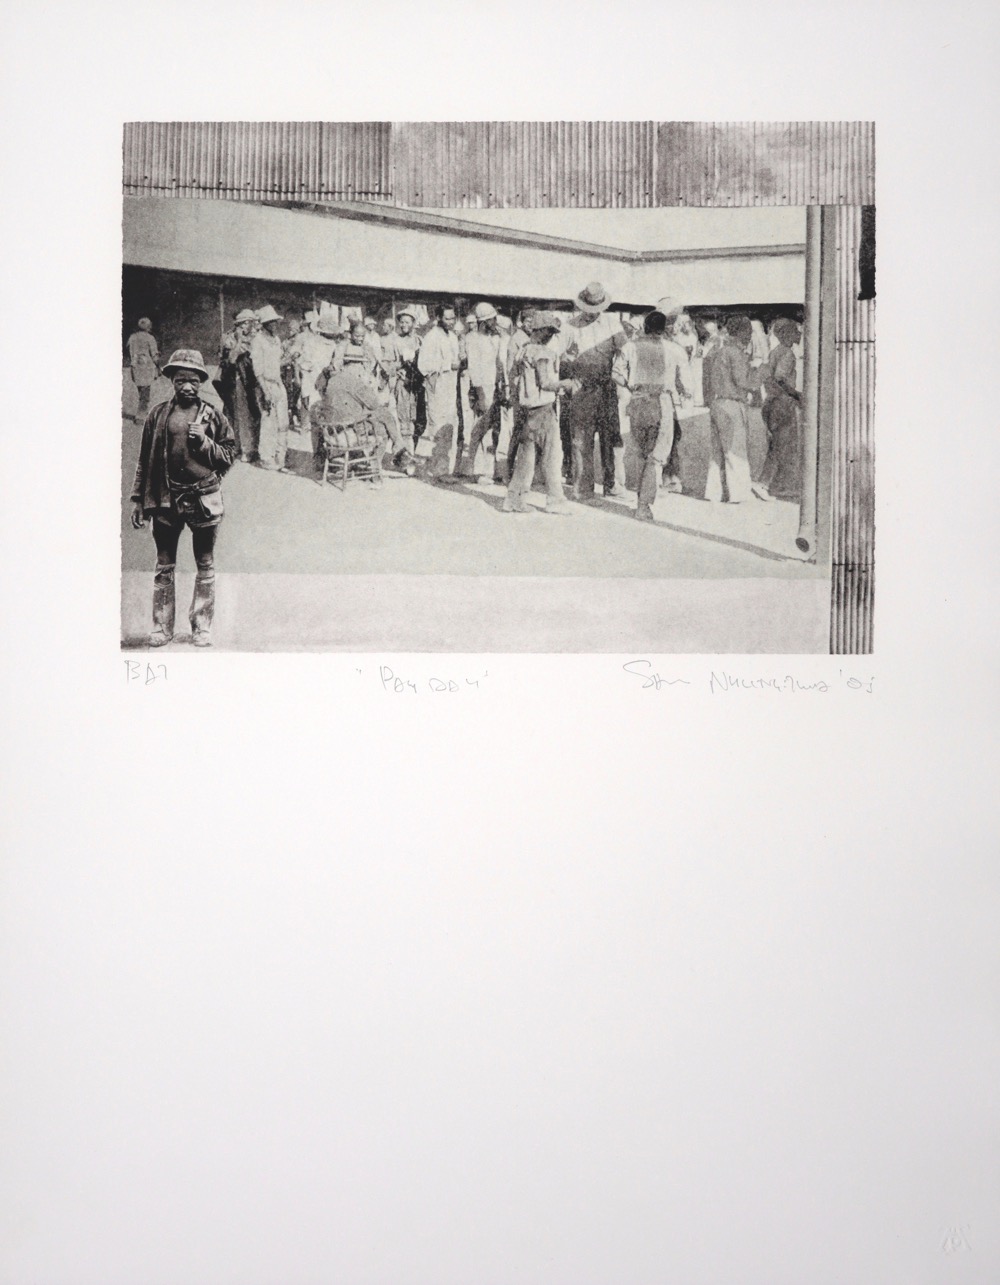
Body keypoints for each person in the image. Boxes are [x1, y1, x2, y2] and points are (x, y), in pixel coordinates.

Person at [129, 349, 236, 649]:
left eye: (193, 381)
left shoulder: (212, 415)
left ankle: (202, 627)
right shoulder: (157, 415)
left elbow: (228, 456)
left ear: (201, 382)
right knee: (164, 564)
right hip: (166, 500)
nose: (187, 386)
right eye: (180, 380)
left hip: (203, 499)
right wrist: (138, 499)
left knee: (205, 563)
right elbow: (144, 460)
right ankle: (161, 627)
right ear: (172, 381)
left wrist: (204, 442)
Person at [613, 306, 692, 521]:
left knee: (641, 452)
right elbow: (685, 383)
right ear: (664, 329)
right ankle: (644, 505)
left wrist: (631, 386)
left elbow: (616, 374)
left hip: (638, 401)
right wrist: (684, 393)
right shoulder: (674, 349)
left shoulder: (630, 346)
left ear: (645, 327)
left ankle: (641, 498)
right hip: (661, 401)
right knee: (656, 456)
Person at [503, 313, 579, 515]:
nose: (551, 335)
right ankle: (555, 500)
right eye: (549, 331)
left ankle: (514, 499)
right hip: (543, 409)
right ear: (540, 330)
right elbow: (545, 383)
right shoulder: (542, 353)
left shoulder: (524, 350)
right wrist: (566, 384)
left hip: (528, 409)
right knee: (552, 457)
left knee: (526, 458)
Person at [561, 282, 627, 501]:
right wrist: (569, 371)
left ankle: (612, 484)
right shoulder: (570, 326)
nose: (592, 313)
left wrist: (620, 375)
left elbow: (626, 352)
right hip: (581, 390)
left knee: (611, 438)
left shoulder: (612, 324)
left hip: (607, 388)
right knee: (581, 440)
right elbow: (559, 358)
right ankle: (583, 488)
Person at [309, 364, 416, 481]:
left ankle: (320, 462)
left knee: (381, 416)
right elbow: (373, 403)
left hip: (331, 435)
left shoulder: (323, 389)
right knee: (383, 424)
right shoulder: (349, 379)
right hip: (350, 432)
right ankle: (382, 464)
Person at [704, 314, 764, 503]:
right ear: (741, 332)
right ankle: (738, 493)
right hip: (732, 403)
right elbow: (744, 381)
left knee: (717, 453)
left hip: (717, 402)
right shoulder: (735, 353)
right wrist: (761, 373)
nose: (750, 336)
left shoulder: (717, 350)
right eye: (749, 332)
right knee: (735, 450)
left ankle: (715, 492)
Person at [458, 302, 511, 483]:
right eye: (492, 320)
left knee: (495, 430)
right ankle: (477, 470)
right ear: (484, 321)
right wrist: (480, 395)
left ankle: (493, 470)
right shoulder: (473, 339)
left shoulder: (494, 338)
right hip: (482, 389)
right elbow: (474, 369)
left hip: (495, 388)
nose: (495, 322)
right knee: (481, 430)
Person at [756, 317, 803, 500]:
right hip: (782, 403)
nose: (798, 334)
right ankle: (764, 483)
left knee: (782, 445)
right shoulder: (787, 354)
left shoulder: (775, 352)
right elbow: (780, 378)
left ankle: (778, 486)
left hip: (772, 402)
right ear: (785, 334)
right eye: (795, 331)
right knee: (780, 446)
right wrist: (797, 395)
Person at [416, 303, 462, 483]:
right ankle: (436, 470)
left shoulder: (453, 336)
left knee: (448, 426)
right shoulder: (431, 337)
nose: (451, 322)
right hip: (437, 386)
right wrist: (448, 365)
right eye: (447, 318)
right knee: (437, 427)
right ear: (438, 318)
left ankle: (441, 469)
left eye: (453, 318)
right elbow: (423, 365)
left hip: (451, 386)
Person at [250, 304, 290, 471]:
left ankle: (280, 457)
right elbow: (258, 369)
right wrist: (265, 391)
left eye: (275, 321)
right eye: (271, 322)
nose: (275, 324)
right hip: (266, 384)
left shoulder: (276, 339)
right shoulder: (258, 341)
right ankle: (266, 457)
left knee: (283, 422)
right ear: (265, 324)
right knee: (269, 422)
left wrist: (289, 359)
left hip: (278, 383)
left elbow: (277, 362)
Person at [216, 308, 259, 460]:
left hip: (249, 379)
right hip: (234, 380)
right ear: (242, 324)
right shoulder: (230, 338)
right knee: (237, 414)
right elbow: (231, 359)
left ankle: (247, 446)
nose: (251, 327)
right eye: (249, 323)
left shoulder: (253, 337)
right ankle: (240, 448)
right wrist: (240, 341)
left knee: (249, 414)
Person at [382, 305, 422, 457]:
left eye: (407, 322)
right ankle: (404, 456)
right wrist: (400, 365)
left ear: (413, 323)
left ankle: (412, 452)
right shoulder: (395, 341)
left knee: (418, 421)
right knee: (404, 421)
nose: (404, 325)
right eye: (402, 322)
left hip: (417, 384)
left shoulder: (419, 340)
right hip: (403, 384)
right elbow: (387, 364)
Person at [297, 305, 341, 415]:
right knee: (311, 409)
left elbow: (335, 365)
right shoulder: (311, 343)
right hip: (313, 382)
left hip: (326, 382)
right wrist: (305, 391)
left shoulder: (333, 345)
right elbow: (305, 368)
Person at [126, 317, 160, 419]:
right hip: (146, 368)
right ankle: (141, 415)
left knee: (141, 391)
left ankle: (142, 413)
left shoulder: (132, 337)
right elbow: (154, 355)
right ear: (148, 326)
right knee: (145, 393)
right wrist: (158, 366)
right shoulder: (150, 338)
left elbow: (128, 349)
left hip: (135, 367)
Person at [280, 316, 304, 427]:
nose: (291, 330)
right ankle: (290, 414)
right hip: (287, 370)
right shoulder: (286, 341)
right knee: (288, 390)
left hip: (297, 369)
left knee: (297, 391)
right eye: (290, 328)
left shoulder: (300, 340)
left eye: (293, 328)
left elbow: (296, 355)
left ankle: (296, 414)